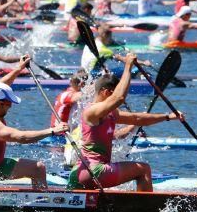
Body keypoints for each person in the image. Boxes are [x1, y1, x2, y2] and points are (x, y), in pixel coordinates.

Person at [68, 56, 178, 191]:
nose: (116, 100)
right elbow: (119, 98)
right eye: (113, 94)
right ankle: (144, 209)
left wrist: (167, 116)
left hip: (80, 175)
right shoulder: (92, 111)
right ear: (106, 92)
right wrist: (128, 66)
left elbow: (138, 119)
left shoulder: (111, 113)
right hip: (96, 171)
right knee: (143, 169)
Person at [0, 57, 70, 189]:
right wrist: (52, 131)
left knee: (38, 168)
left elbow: (0, 85)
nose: (10, 108)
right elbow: (20, 137)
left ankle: (42, 201)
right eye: (8, 105)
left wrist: (19, 68)